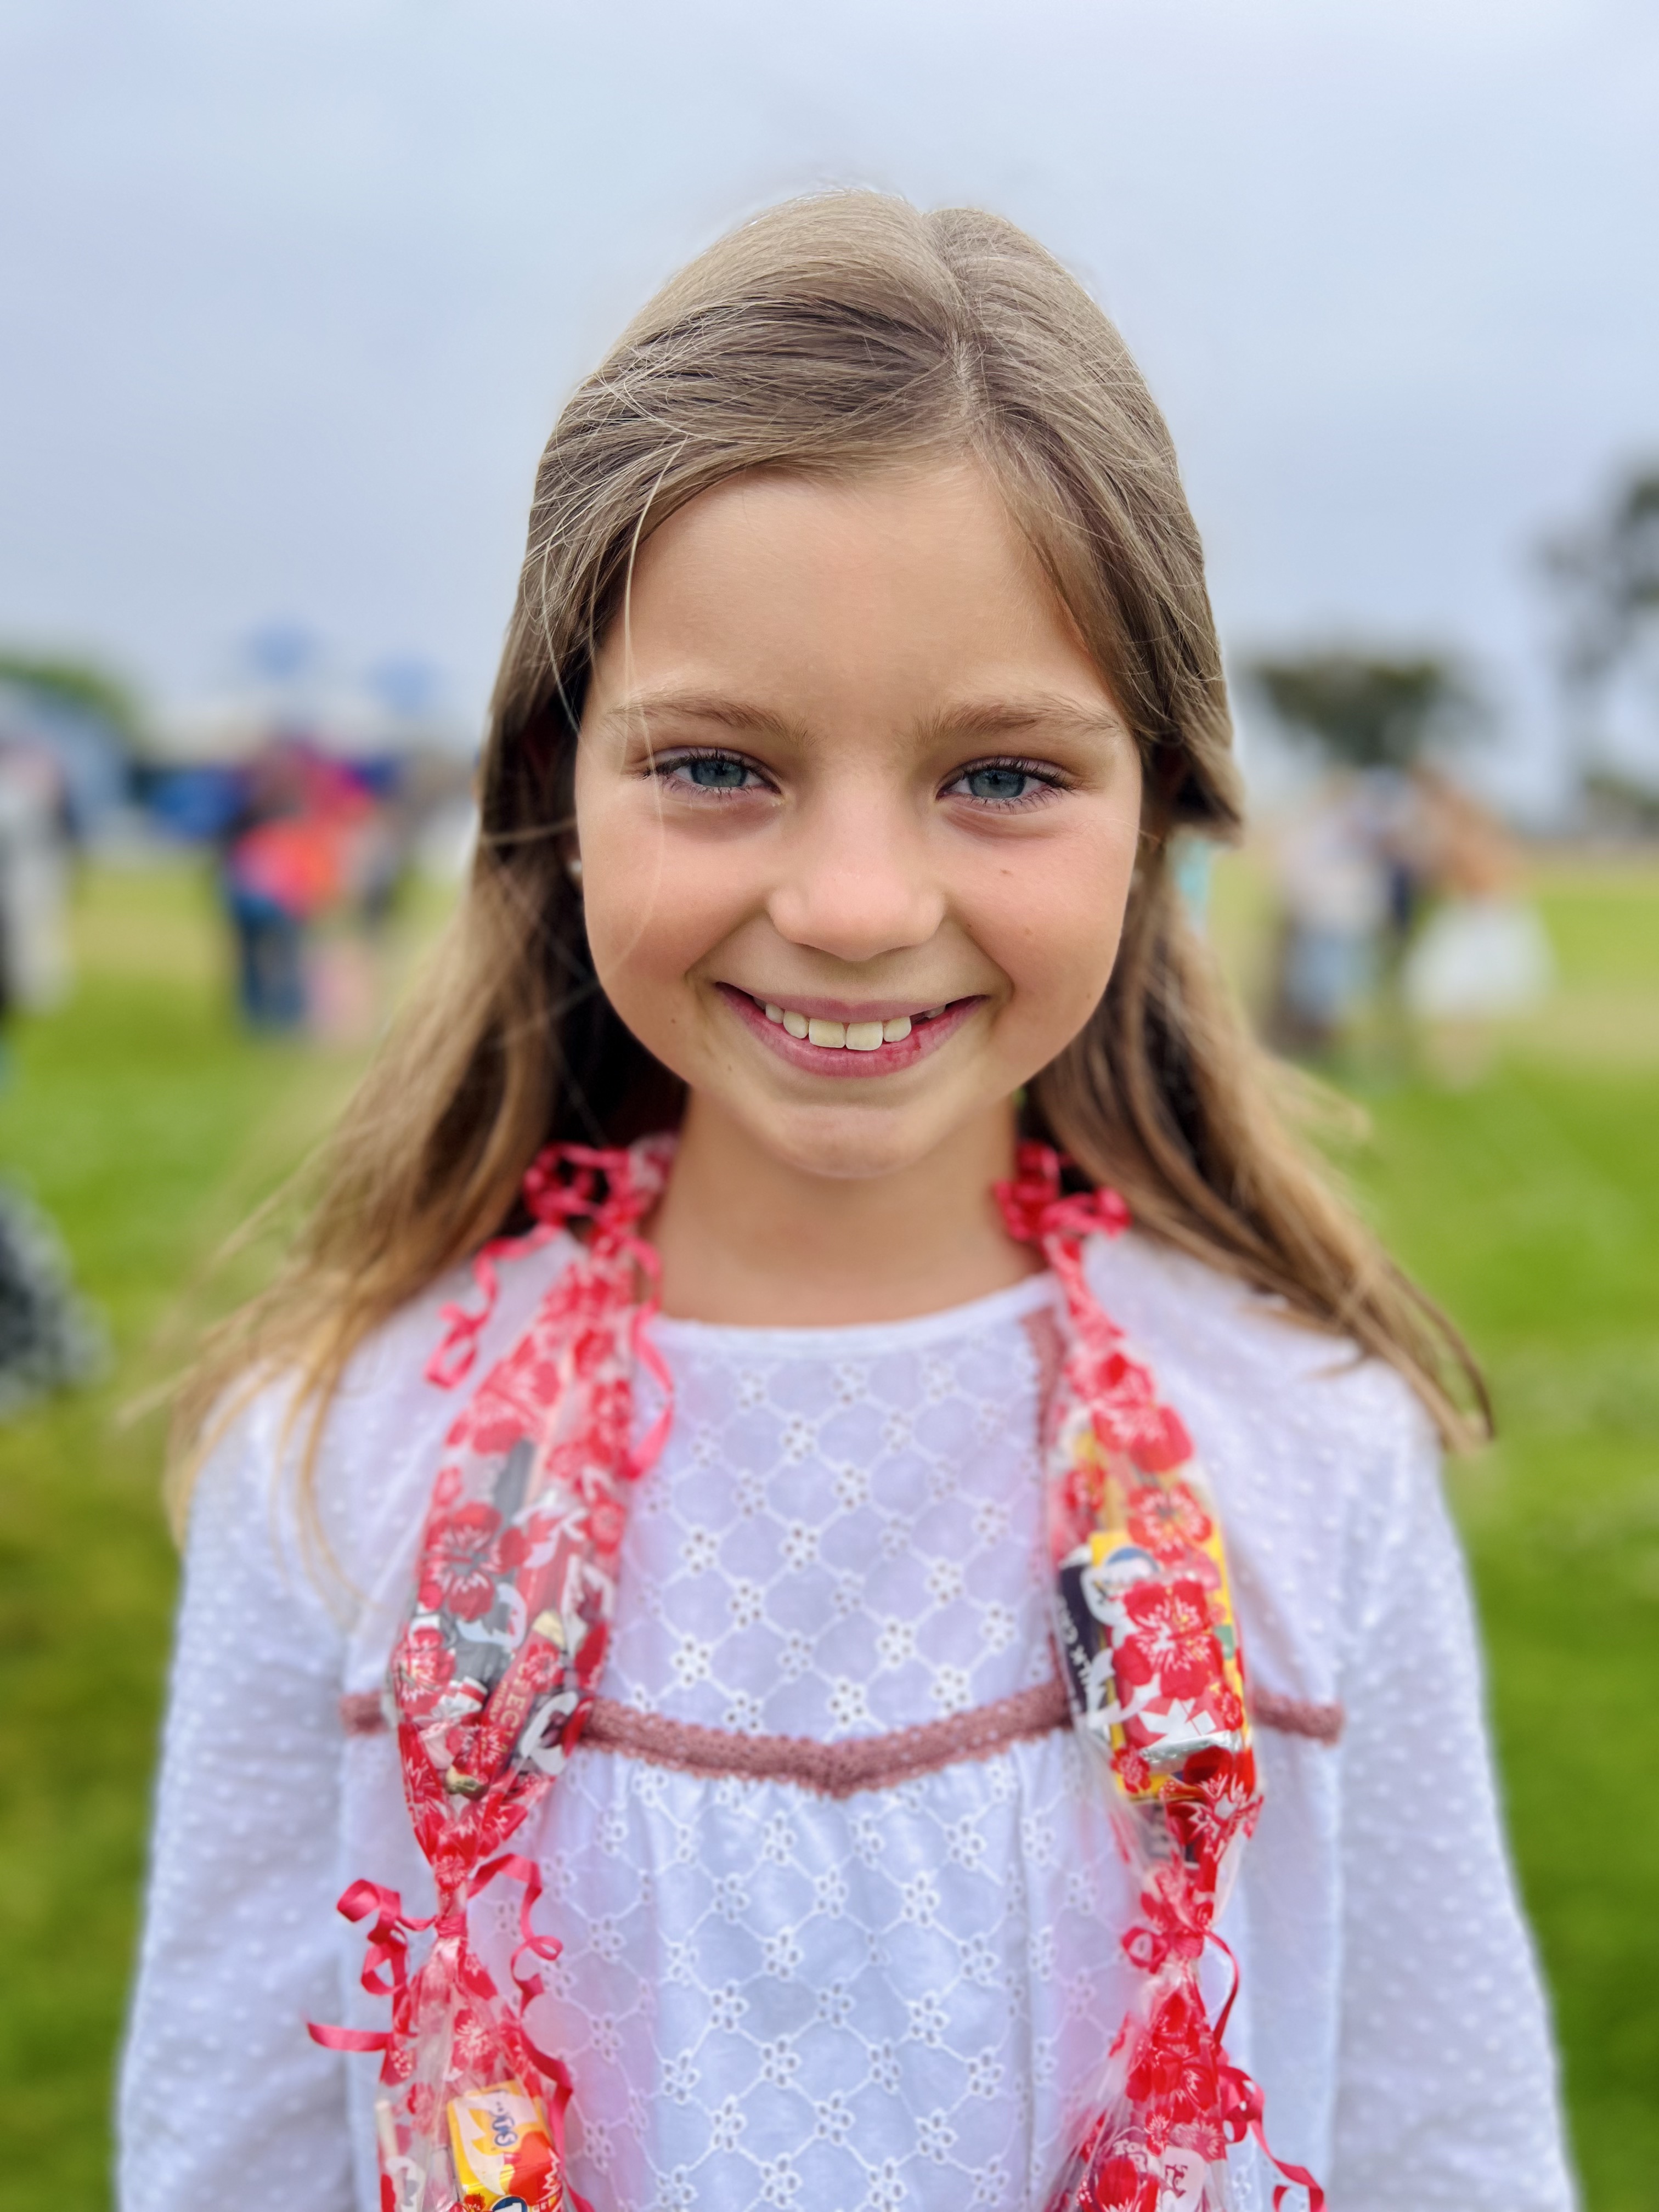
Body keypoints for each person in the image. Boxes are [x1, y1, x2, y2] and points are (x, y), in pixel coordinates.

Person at [119, 196, 1573, 2211]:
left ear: (1160, 806)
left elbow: (1447, 2143)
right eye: (721, 766)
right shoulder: (340, 1458)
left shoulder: (1311, 1457)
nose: (858, 905)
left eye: (1004, 776)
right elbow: (227, 2148)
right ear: (558, 780)